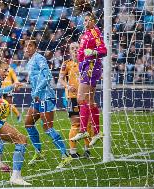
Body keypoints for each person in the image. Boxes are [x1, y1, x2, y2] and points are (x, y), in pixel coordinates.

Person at [0, 49, 30, 185]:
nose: (7, 73)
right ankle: (16, 177)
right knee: (22, 140)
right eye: (5, 70)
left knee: (2, 134)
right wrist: (12, 86)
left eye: (8, 71)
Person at [23, 38, 72, 169]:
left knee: (48, 128)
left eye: (30, 45)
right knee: (28, 123)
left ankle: (65, 155)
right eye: (25, 46)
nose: (27, 48)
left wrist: (37, 91)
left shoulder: (39, 58)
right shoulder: (30, 61)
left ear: (35, 47)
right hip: (37, 98)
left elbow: (48, 77)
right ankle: (39, 152)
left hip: (46, 97)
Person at [70, 11, 107, 146]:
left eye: (88, 20)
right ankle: (97, 132)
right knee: (90, 101)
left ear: (93, 21)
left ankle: (83, 129)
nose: (85, 22)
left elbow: (104, 51)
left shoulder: (95, 32)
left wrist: (92, 52)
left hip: (91, 67)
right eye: (84, 20)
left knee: (81, 98)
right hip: (87, 68)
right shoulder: (87, 33)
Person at [58, 42, 93, 158]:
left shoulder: (87, 62)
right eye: (72, 48)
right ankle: (73, 151)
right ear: (69, 51)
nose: (75, 50)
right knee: (76, 124)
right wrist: (68, 86)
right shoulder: (66, 64)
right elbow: (61, 79)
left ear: (81, 49)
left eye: (77, 48)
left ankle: (87, 150)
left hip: (85, 97)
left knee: (88, 123)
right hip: (72, 97)